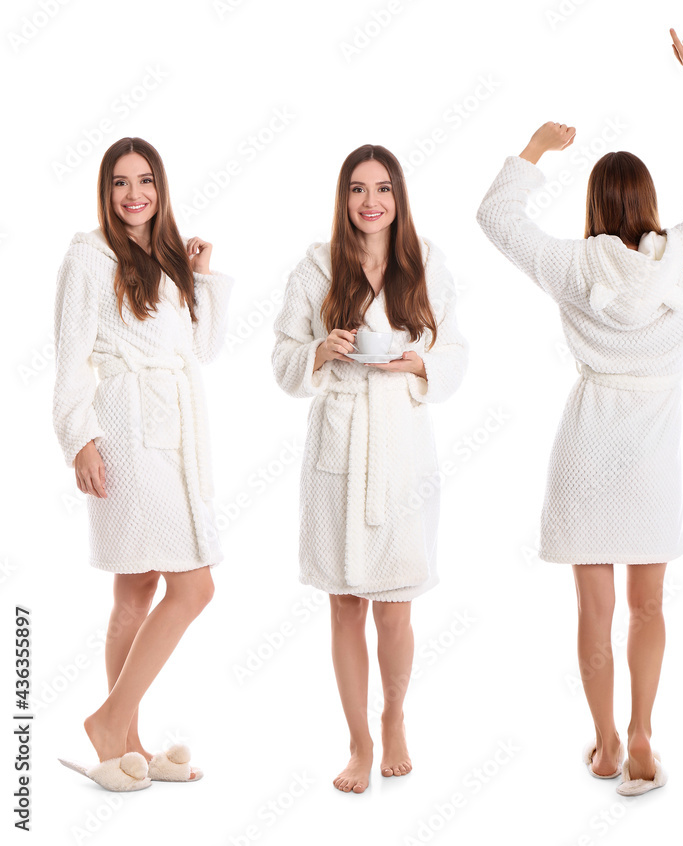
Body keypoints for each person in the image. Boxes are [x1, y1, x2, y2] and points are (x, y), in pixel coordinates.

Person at [476, 28, 683, 796]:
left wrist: (536, 148)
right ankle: (643, 732)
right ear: (651, 202)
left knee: (594, 608)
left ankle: (603, 743)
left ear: (594, 204)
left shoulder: (570, 264)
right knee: (647, 606)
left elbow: (496, 216)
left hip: (588, 444)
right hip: (654, 450)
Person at [272, 144, 468, 795]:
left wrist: (419, 364)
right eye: (358, 189)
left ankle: (394, 717)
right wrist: (320, 351)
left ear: (398, 196)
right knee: (344, 606)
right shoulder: (316, 268)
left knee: (396, 608)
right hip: (338, 450)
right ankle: (358, 740)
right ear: (344, 198)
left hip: (401, 453)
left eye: (382, 188)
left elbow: (454, 350)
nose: (370, 201)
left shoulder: (426, 264)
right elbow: (282, 357)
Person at [53, 137, 233, 791]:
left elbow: (201, 349)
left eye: (146, 181)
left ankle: (126, 745)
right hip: (126, 433)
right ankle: (109, 721)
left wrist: (201, 276)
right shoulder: (89, 255)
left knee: (137, 589)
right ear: (106, 191)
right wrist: (79, 437)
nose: (134, 194)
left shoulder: (167, 256)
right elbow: (70, 353)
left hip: (174, 430)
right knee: (194, 587)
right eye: (121, 183)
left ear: (161, 188)